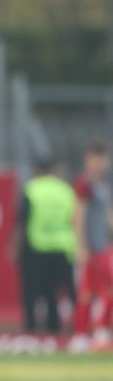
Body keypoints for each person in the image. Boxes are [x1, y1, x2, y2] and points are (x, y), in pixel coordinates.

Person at [18, 157, 77, 333]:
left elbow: (22, 220)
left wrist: (16, 247)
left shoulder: (32, 189)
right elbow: (73, 219)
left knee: (31, 292)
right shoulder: (65, 190)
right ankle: (56, 328)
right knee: (53, 292)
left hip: (37, 247)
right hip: (62, 246)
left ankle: (31, 329)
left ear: (36, 170)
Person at [72, 142, 113, 342]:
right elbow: (79, 214)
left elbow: (108, 216)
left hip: (104, 246)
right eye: (98, 159)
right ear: (89, 159)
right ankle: (81, 334)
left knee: (107, 288)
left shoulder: (104, 184)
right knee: (86, 292)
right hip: (90, 247)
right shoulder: (84, 183)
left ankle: (102, 329)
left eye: (104, 159)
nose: (102, 163)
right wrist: (81, 245)